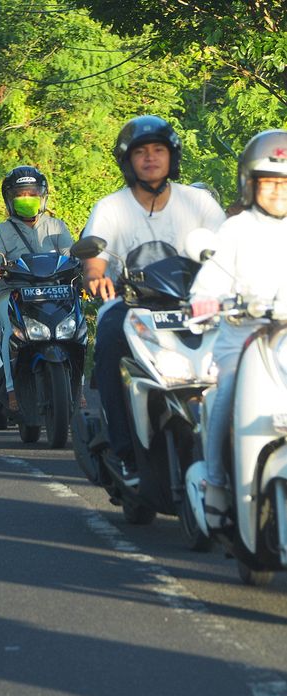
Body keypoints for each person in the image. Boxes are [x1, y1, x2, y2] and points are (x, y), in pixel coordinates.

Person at [81, 115, 226, 485]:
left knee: (235, 350)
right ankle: (125, 451)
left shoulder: (199, 203)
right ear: (127, 161)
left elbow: (227, 252)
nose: (150, 158)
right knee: (109, 344)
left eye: (158, 150)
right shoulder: (111, 207)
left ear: (172, 156)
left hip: (194, 306)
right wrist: (96, 276)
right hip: (129, 305)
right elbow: (94, 256)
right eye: (141, 152)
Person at [190, 129, 287, 527]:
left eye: (286, 183)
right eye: (269, 182)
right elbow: (206, 286)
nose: (278, 191)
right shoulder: (235, 229)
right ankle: (215, 483)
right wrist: (208, 302)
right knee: (226, 391)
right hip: (241, 342)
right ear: (250, 183)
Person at [0, 166, 73, 411]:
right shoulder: (1, 230)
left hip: (56, 292)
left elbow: (70, 254)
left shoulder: (57, 226)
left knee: (77, 331)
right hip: (14, 292)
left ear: (42, 196)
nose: (27, 199)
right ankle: (12, 389)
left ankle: (78, 383)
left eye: (32, 193)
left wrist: (83, 265)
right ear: (10, 199)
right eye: (21, 195)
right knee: (9, 330)